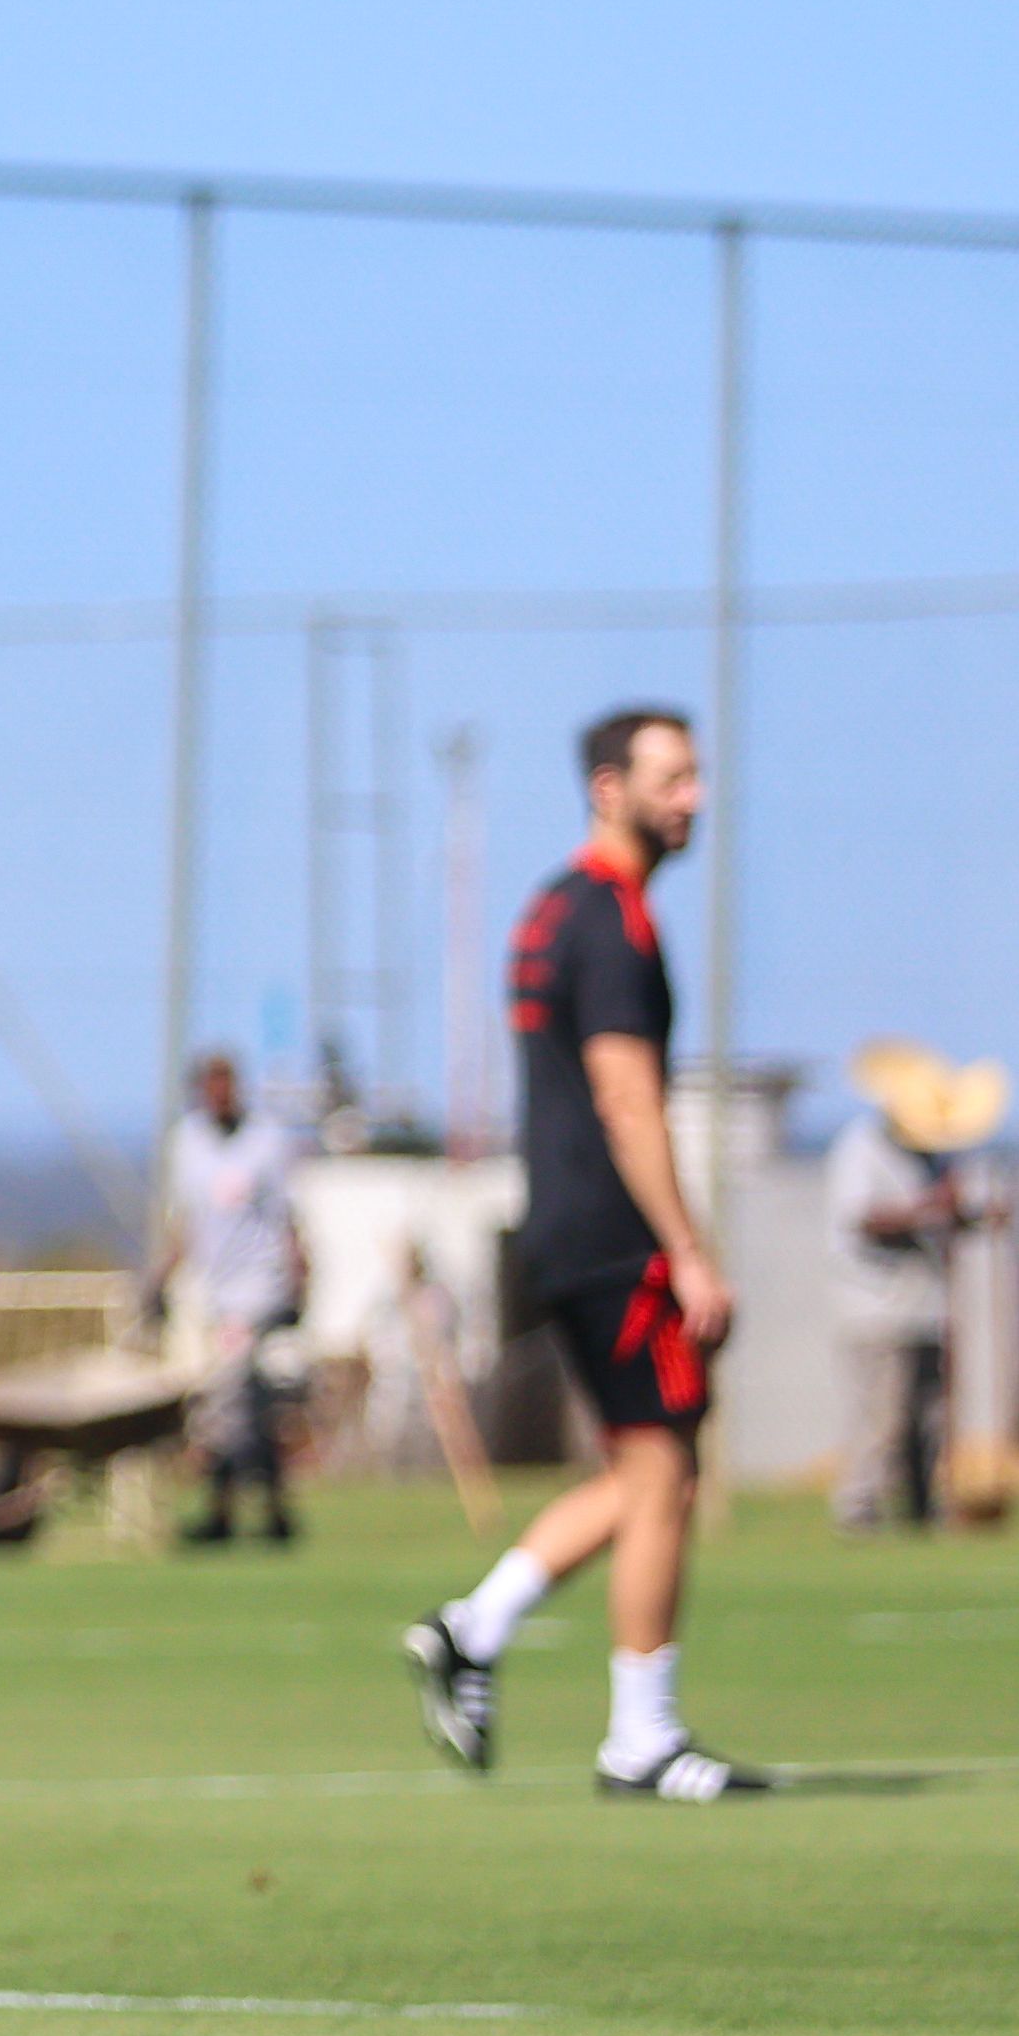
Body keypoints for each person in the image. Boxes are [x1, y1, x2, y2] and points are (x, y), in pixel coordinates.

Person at [403, 708, 766, 1800]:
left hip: (561, 1230)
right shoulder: (610, 920)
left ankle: (474, 1626)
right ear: (609, 788)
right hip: (614, 1241)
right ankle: (640, 1738)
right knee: (665, 1475)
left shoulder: (552, 905)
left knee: (647, 1469)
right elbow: (625, 1096)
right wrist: (687, 1248)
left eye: (696, 776)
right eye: (672, 778)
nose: (693, 798)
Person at [826, 1038, 1007, 1534]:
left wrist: (974, 1217)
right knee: (881, 1417)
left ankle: (924, 1508)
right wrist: (931, 1207)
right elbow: (866, 1219)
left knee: (929, 1417)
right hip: (875, 1307)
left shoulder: (932, 1156)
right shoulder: (861, 1146)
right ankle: (860, 1507)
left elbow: (939, 1217)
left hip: (928, 1306)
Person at [154, 1050, 310, 1547]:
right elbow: (185, 1223)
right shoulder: (187, 1144)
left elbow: (288, 1219)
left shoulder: (266, 1140)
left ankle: (223, 1515)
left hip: (258, 1289)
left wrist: (299, 1283)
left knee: (231, 1398)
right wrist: (158, 1281)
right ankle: (274, 1515)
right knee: (244, 1405)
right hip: (212, 1292)